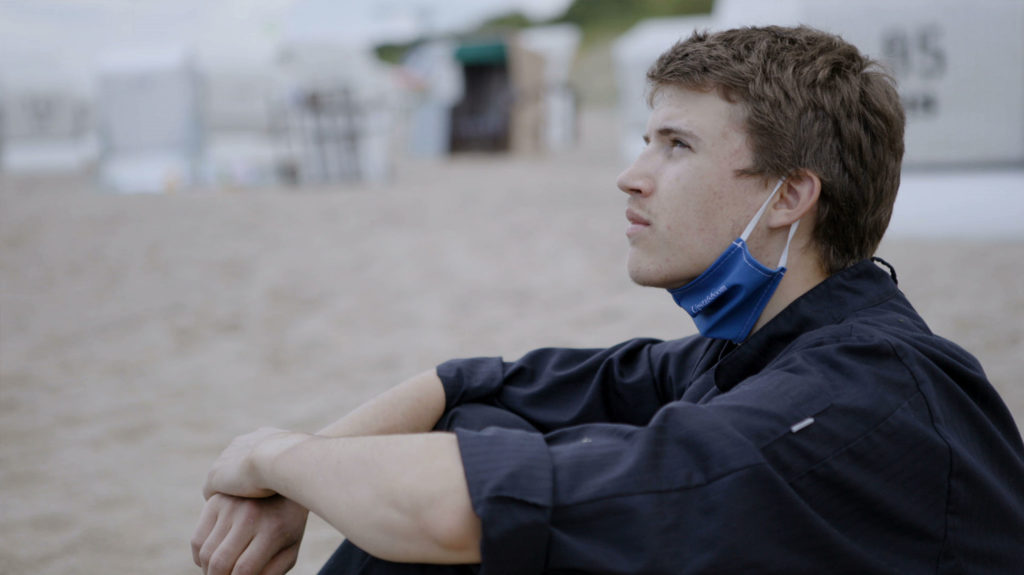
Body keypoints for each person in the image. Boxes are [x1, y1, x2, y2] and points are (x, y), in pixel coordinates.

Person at [191, 25, 1024, 574]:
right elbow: (478, 384)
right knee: (476, 431)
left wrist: (273, 456)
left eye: (677, 145)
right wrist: (299, 482)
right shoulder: (759, 348)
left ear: (789, 195)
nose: (632, 174)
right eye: (645, 139)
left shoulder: (840, 402)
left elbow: (461, 512)